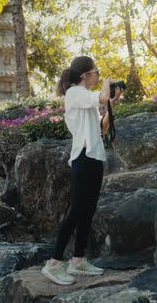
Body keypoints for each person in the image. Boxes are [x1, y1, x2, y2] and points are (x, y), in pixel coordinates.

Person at [41, 56, 122, 286]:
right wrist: (107, 85)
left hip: (94, 158)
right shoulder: (75, 93)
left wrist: (111, 104)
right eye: (96, 72)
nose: (98, 76)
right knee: (77, 210)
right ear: (85, 75)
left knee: (88, 211)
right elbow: (102, 95)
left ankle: (78, 260)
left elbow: (102, 127)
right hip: (83, 159)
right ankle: (54, 263)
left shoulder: (86, 99)